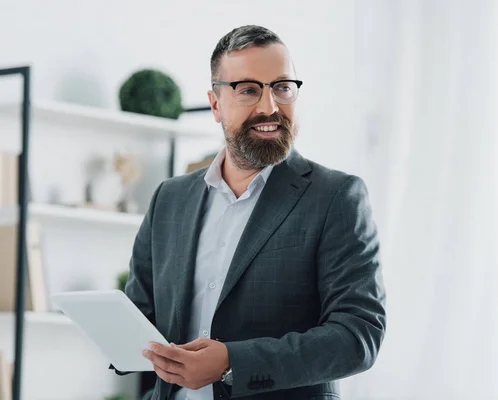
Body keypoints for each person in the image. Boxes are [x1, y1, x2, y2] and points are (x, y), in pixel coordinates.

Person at [115, 25, 386, 400]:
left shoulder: (336, 196)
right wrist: (114, 332)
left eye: (282, 87)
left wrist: (232, 362)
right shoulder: (169, 199)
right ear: (215, 104)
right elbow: (142, 318)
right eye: (248, 90)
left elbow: (358, 335)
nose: (269, 106)